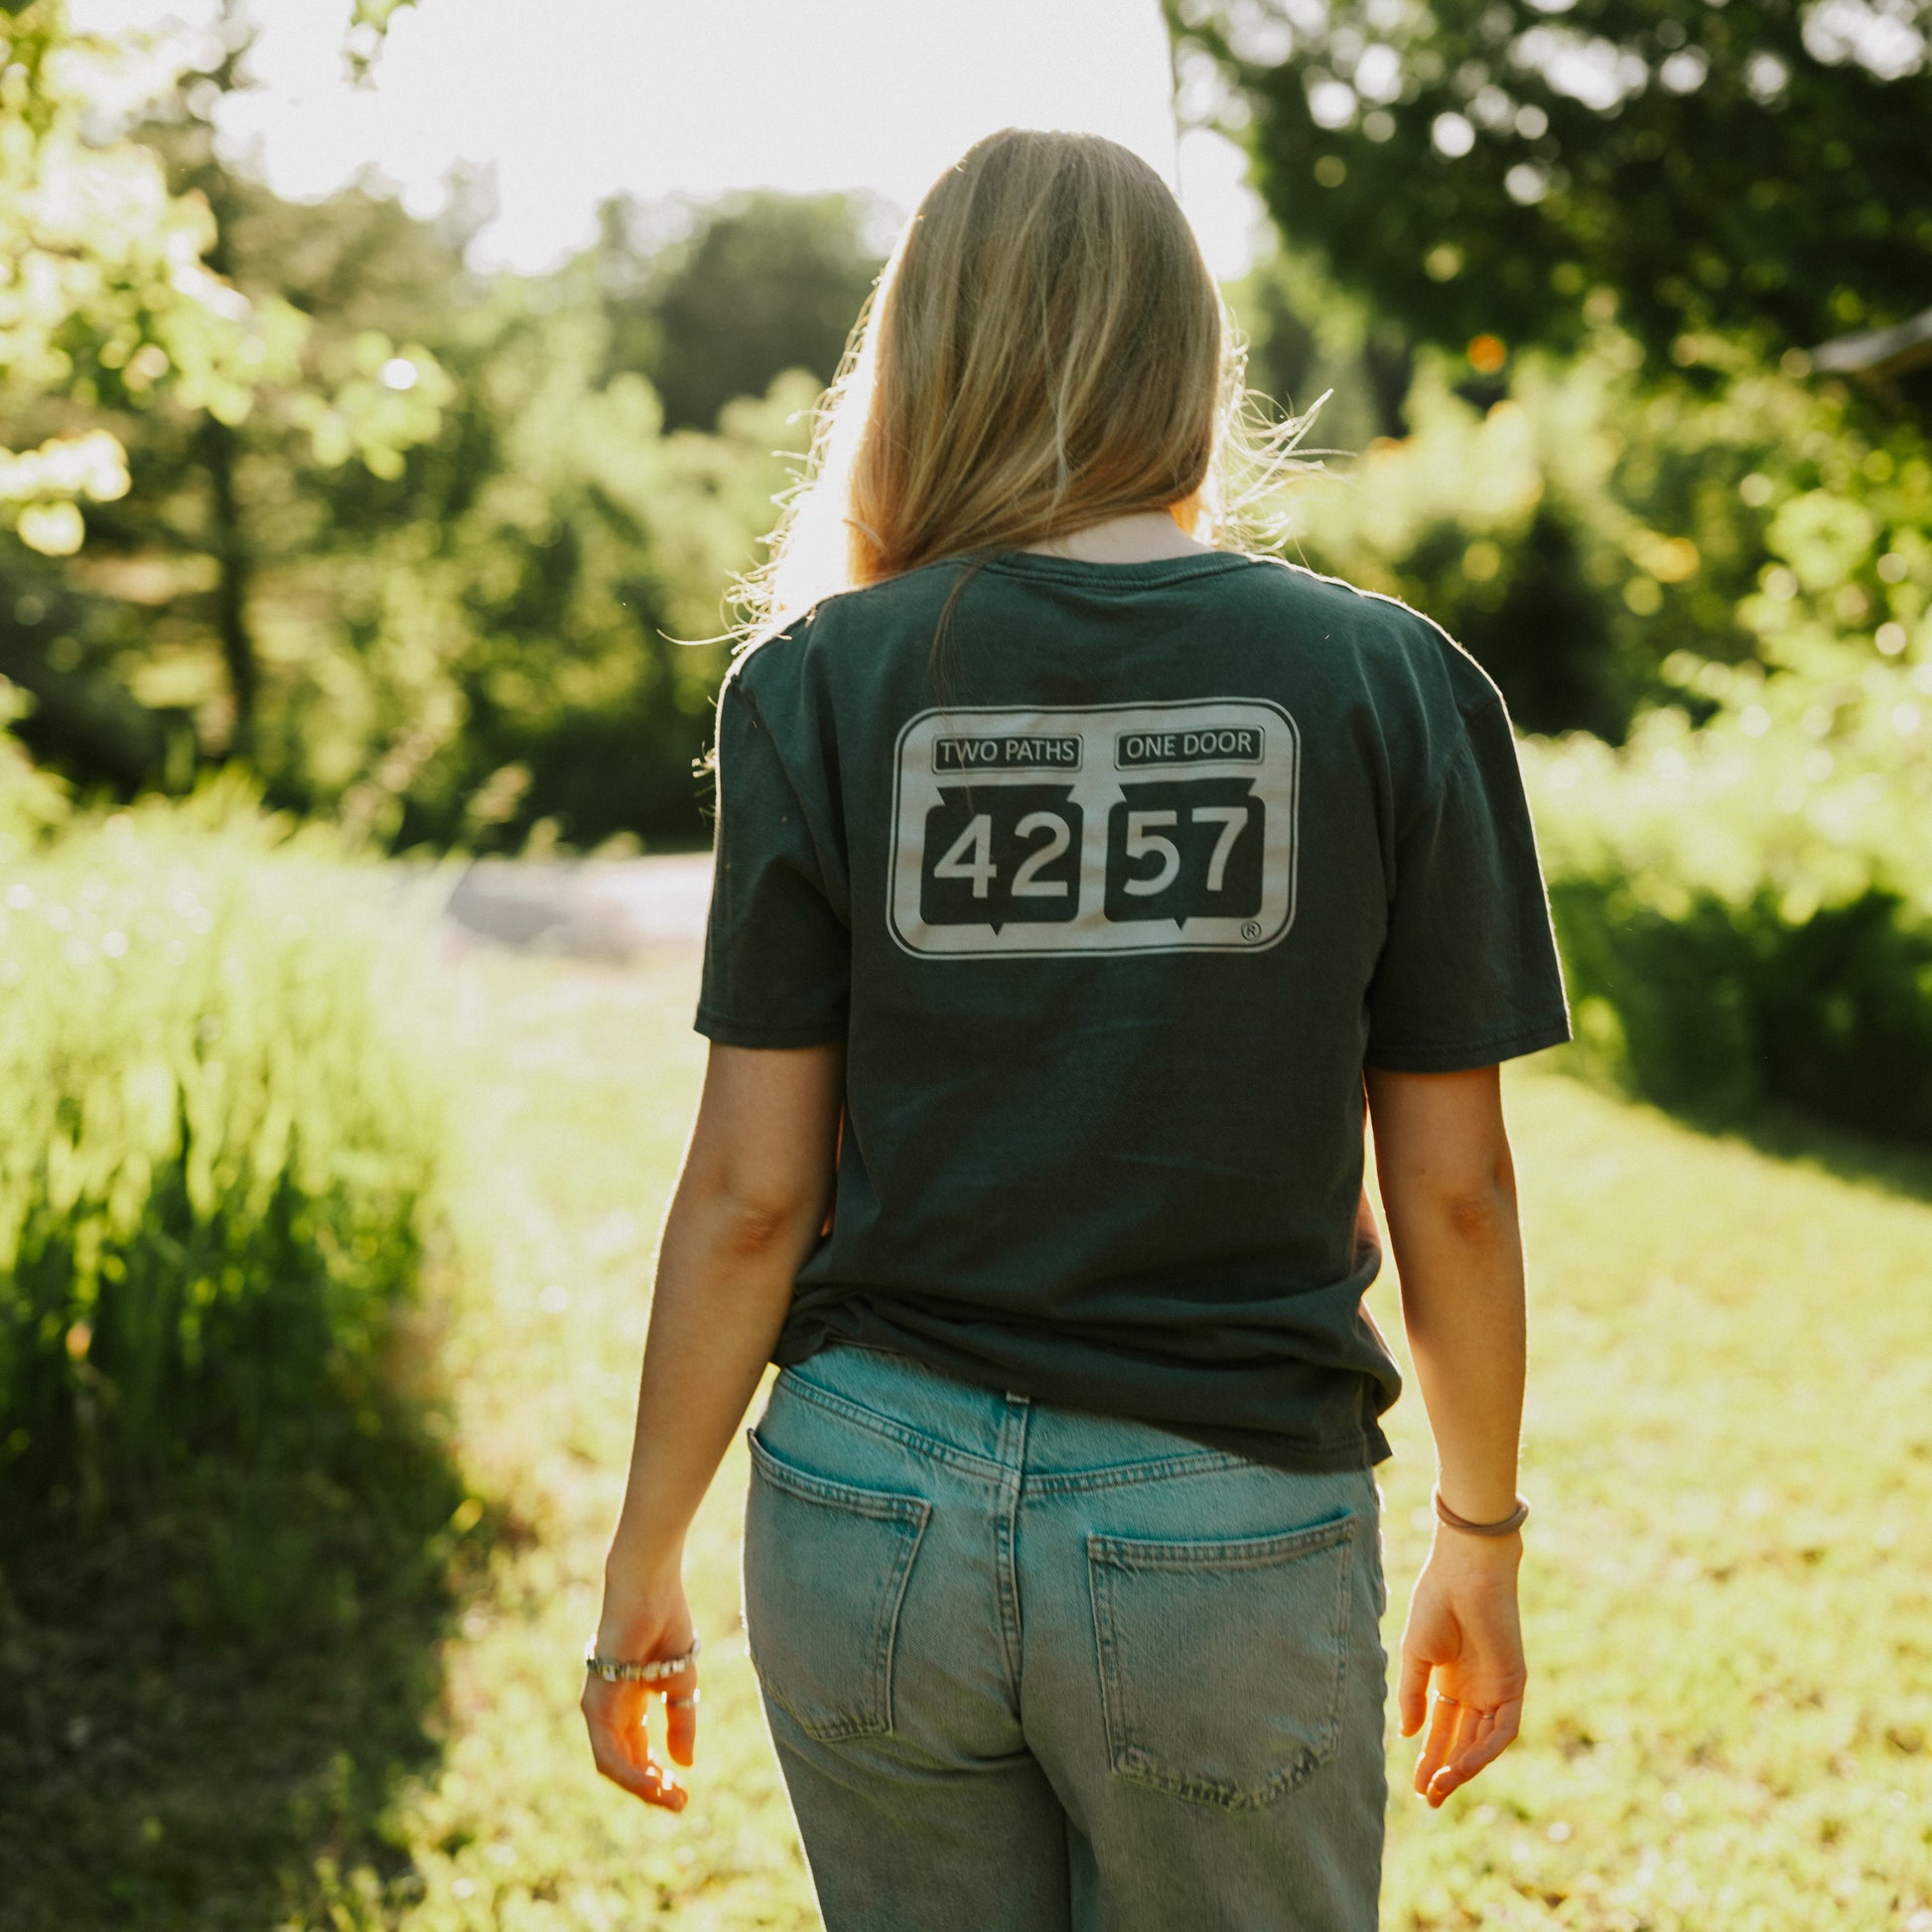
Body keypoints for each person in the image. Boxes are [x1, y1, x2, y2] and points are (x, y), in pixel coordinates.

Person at [581, 127, 1571, 1931]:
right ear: (1186, 357)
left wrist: (642, 1546)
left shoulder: (817, 679)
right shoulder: (1384, 682)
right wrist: (1478, 1533)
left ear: (924, 360)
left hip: (865, 1505)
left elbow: (744, 1189)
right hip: (1226, 1525)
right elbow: (1455, 1193)